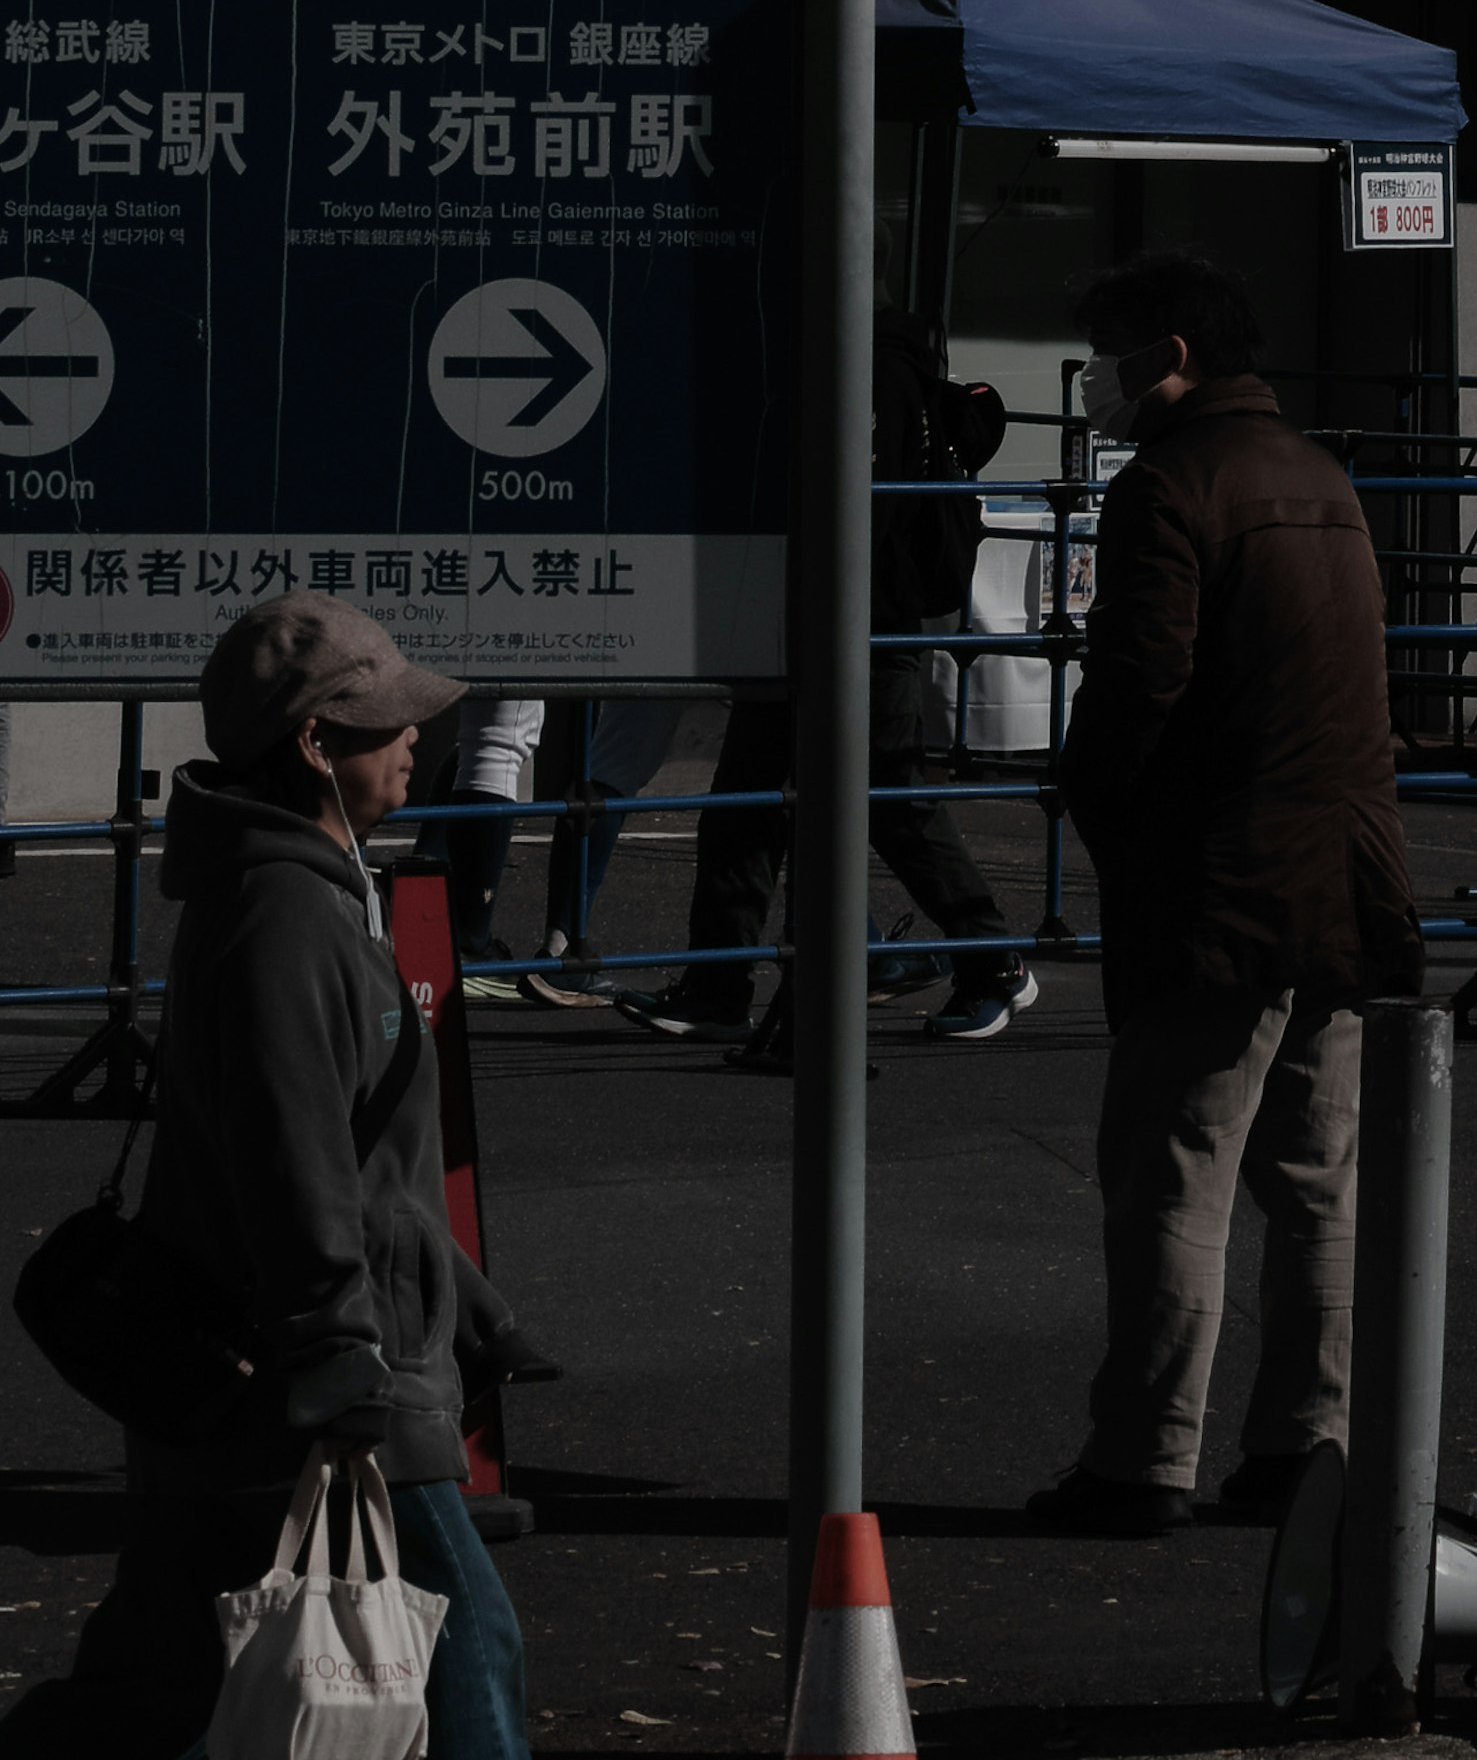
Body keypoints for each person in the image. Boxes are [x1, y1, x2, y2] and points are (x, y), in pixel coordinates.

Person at [6, 595, 548, 1760]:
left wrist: (475, 1307)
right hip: (319, 1375)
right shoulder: (288, 915)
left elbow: (338, 1156)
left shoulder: (285, 890)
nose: (417, 736)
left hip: (259, 1370)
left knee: (157, 1674)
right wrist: (342, 1354)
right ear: (314, 743)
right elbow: (297, 1157)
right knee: (468, 1651)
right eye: (385, 721)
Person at [1028, 254, 1421, 1532]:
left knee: (1174, 1171)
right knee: (1318, 1182)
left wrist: (1095, 808)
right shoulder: (1323, 476)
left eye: (1110, 348)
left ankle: (1143, 1458)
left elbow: (1138, 690)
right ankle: (1309, 1446)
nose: (1095, 376)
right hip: (1347, 882)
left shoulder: (1170, 484)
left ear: (1171, 352)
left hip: (1221, 885)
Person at [623, 316, 1023, 1046]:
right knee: (752, 800)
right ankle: (718, 982)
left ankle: (991, 958)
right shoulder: (855, 365)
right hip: (808, 617)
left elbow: (856, 507)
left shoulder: (867, 373)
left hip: (856, 620)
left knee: (884, 798)